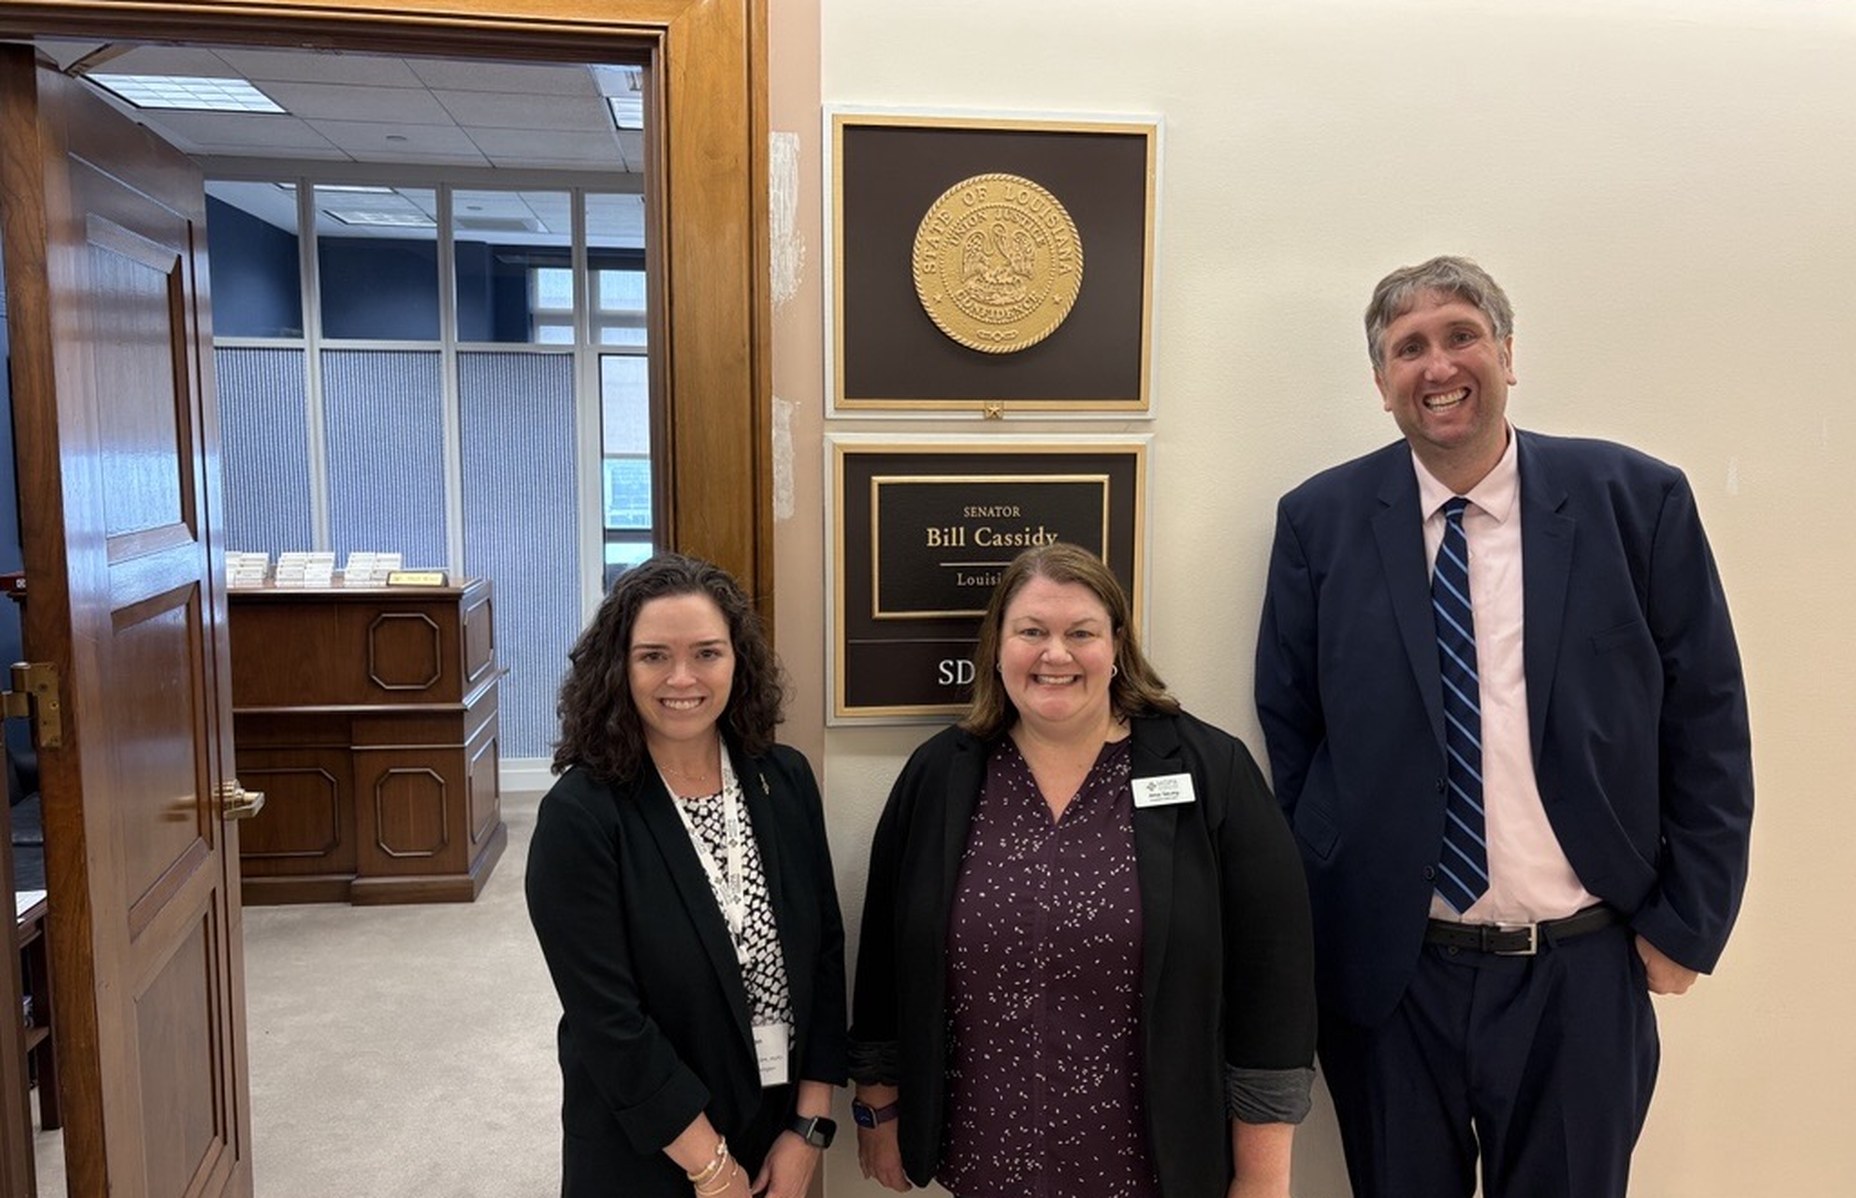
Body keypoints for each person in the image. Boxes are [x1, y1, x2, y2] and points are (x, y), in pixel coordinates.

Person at [1254, 255, 1754, 1197]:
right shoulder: (1319, 522)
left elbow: (1709, 721)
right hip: (1396, 978)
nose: (1437, 366)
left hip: (1581, 969)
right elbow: (1294, 727)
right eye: (1409, 349)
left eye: (1460, 336)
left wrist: (1689, 922)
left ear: (1507, 354)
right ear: (1380, 384)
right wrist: (1331, 906)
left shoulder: (1634, 501)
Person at [852, 542, 1317, 1198]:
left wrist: (1263, 1174)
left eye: (1081, 633)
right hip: (988, 1163)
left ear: (1118, 644)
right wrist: (880, 1106)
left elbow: (1274, 980)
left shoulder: (1210, 771)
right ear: (997, 644)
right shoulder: (942, 777)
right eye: (1032, 632)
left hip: (1158, 1170)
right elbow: (884, 962)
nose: (1056, 655)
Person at [526, 553, 847, 1198]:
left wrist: (810, 1126)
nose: (682, 678)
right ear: (619, 666)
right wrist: (710, 1167)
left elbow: (824, 955)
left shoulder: (782, 779)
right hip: (648, 1143)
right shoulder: (581, 815)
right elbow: (608, 1021)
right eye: (653, 656)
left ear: (738, 661)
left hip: (776, 1127)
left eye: (707, 652)